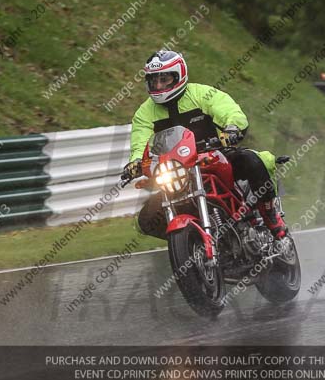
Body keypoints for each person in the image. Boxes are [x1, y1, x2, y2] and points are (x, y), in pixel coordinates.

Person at [121, 50, 288, 240]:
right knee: (146, 220)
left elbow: (229, 110)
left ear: (179, 76)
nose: (158, 85)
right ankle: (193, 241)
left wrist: (232, 128)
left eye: (164, 79)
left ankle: (270, 215)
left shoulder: (202, 94)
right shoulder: (144, 113)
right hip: (177, 170)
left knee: (252, 160)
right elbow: (140, 142)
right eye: (154, 81)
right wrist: (135, 162)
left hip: (215, 156)